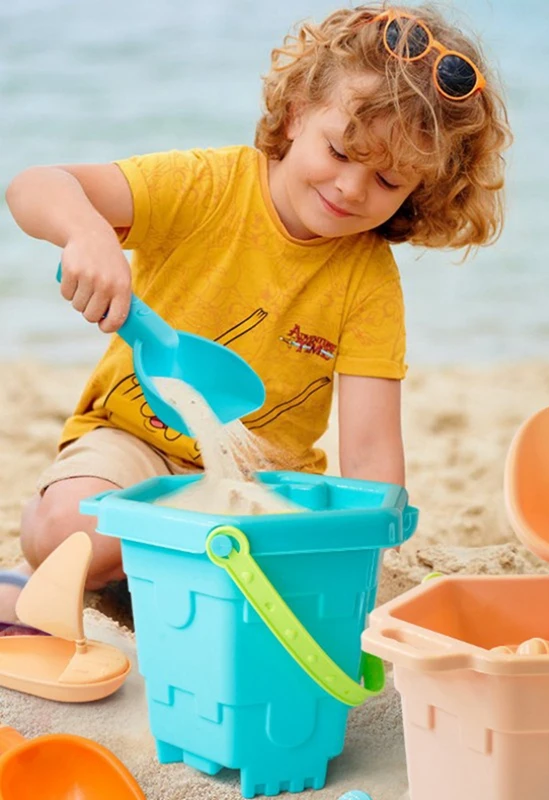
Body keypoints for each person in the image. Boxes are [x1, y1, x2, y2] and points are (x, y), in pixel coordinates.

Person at [1, 3, 511, 624]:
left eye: (388, 181)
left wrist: (374, 553)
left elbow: (373, 447)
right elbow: (36, 186)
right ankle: (72, 566)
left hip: (260, 483)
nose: (352, 189)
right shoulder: (207, 187)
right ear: (297, 112)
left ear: (419, 190)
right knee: (65, 531)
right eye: (341, 152)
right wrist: (89, 235)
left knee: (284, 587)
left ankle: (136, 584)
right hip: (134, 444)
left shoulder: (368, 279)